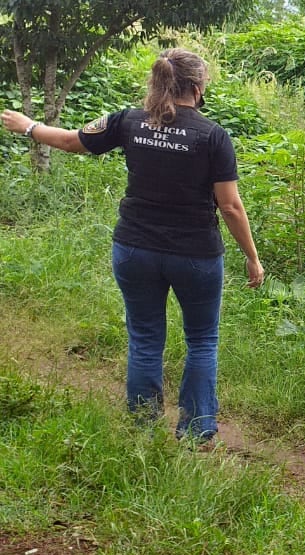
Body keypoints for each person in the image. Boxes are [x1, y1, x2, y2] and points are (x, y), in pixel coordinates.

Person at [1, 48, 265, 446]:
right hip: (195, 255)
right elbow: (229, 205)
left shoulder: (129, 121)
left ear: (159, 82)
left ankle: (142, 427)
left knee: (144, 337)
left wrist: (29, 126)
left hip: (134, 249)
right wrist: (252, 258)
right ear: (197, 87)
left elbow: (73, 142)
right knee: (202, 340)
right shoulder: (213, 136)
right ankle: (195, 434)